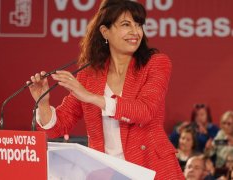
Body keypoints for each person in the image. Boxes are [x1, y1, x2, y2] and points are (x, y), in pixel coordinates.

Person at [28, 0, 183, 179]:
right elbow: (57, 128)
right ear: (105, 31)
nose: (135, 32)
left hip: (152, 169)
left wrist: (91, 97)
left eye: (139, 24)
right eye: (126, 24)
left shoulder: (156, 63)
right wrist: (43, 104)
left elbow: (145, 111)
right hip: (107, 173)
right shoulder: (89, 74)